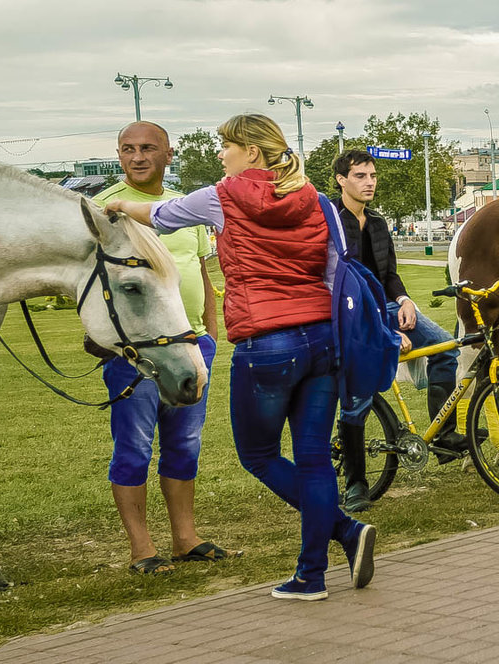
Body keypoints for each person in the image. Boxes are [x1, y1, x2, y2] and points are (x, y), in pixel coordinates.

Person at [104, 114, 376, 601]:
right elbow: (337, 268)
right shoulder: (317, 199)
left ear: (251, 151)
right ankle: (312, 572)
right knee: (314, 460)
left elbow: (162, 217)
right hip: (322, 339)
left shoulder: (223, 194)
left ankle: (345, 536)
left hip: (266, 343)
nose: (220, 154)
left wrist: (120, 203)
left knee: (259, 455)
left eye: (226, 146)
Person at [92, 121, 228, 575]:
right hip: (137, 354)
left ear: (169, 154)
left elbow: (200, 270)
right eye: (127, 149)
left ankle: (185, 539)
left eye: (148, 148)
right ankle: (141, 549)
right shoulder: (104, 210)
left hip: (192, 345)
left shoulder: (185, 207)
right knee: (133, 448)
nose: (137, 156)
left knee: (184, 444)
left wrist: (210, 332)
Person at [333, 149, 462, 511]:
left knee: (444, 347)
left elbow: (389, 273)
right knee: (355, 395)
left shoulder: (376, 222)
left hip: (386, 306)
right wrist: (385, 332)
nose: (369, 182)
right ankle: (356, 482)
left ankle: (444, 434)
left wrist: (404, 300)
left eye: (372, 175)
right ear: (342, 180)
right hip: (350, 314)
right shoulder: (331, 221)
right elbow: (340, 283)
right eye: (360, 176)